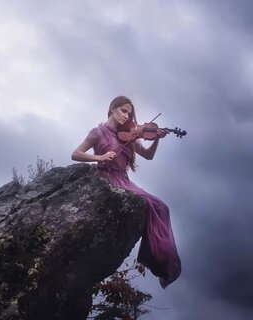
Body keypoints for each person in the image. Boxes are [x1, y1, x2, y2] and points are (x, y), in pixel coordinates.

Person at [71, 95, 181, 288]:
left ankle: (157, 260)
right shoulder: (98, 132)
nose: (126, 116)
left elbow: (148, 156)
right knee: (147, 203)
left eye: (129, 113)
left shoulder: (130, 134)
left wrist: (156, 139)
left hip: (124, 179)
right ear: (113, 108)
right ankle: (155, 259)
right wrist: (101, 156)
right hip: (106, 178)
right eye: (123, 110)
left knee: (161, 207)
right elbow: (75, 154)